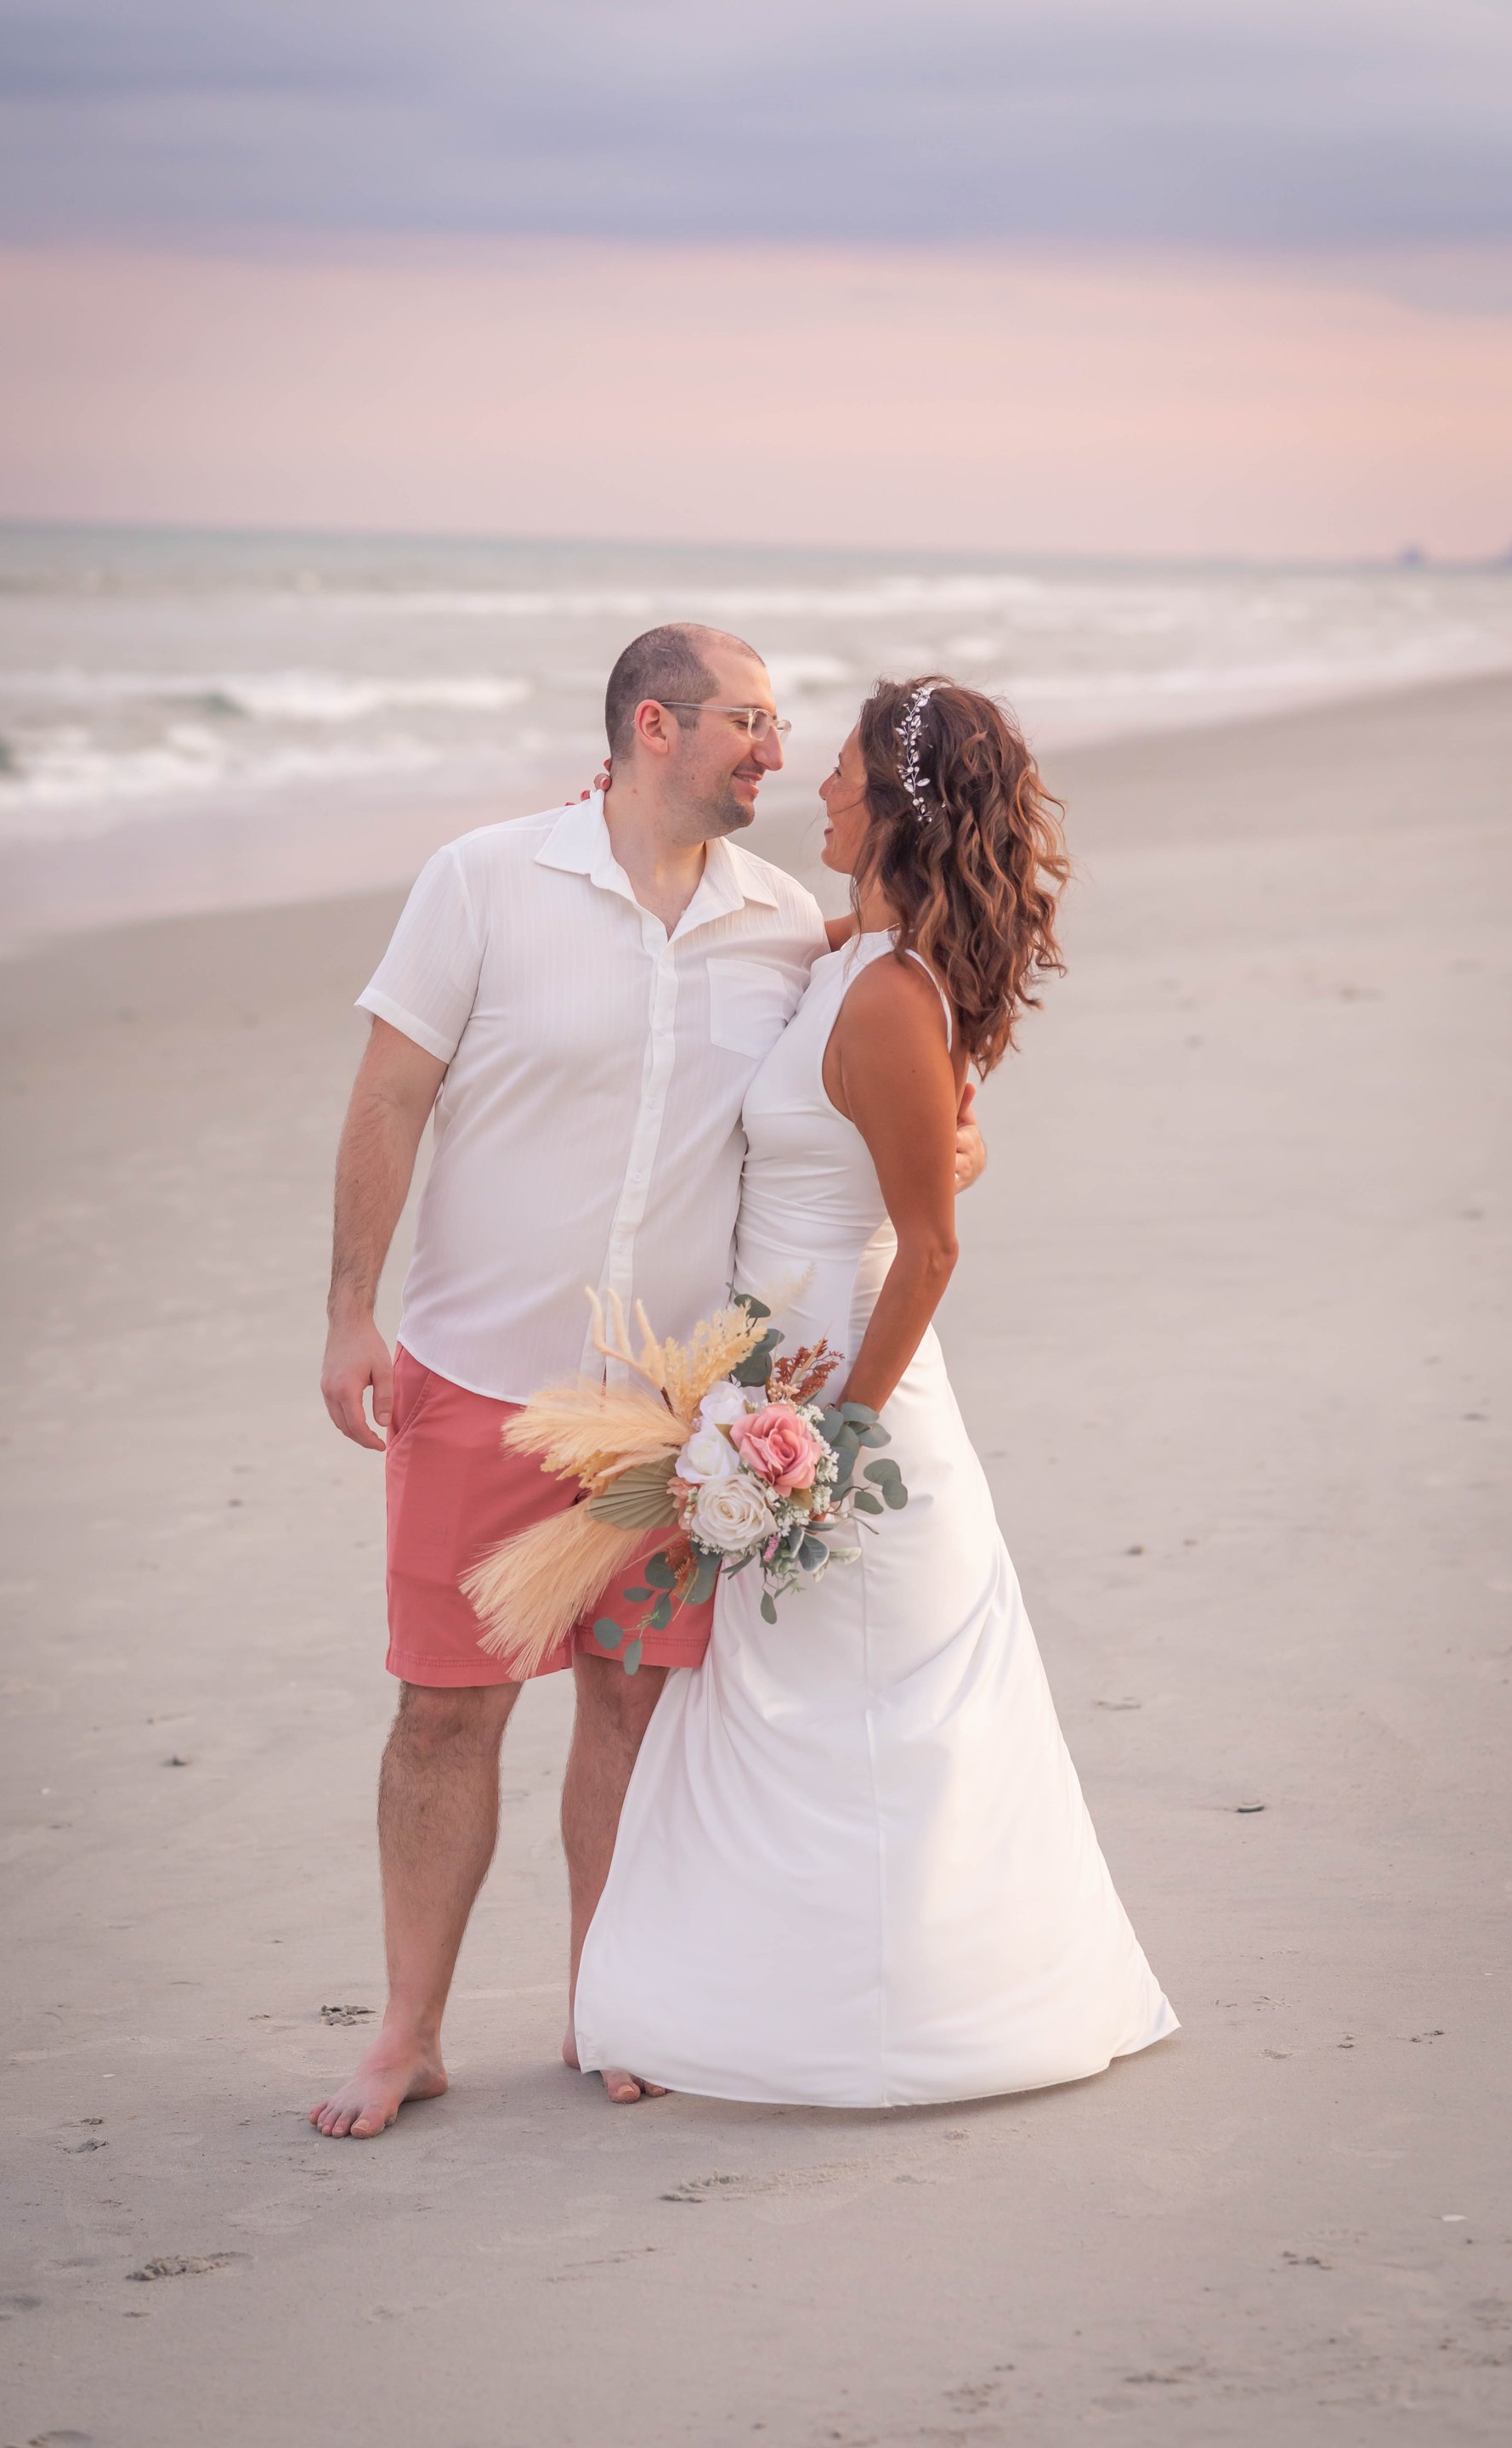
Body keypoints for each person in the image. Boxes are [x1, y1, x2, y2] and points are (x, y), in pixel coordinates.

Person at [311, 626, 986, 2137]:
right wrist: (350, 1309)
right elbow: (390, 1092)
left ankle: (604, 2006)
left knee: (628, 1709)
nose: (776, 747)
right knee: (445, 1713)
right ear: (655, 728)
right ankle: (406, 2032)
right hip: (481, 1373)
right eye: (751, 722)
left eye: (782, 726)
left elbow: (887, 1074)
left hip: (681, 1409)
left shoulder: (788, 925)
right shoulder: (483, 879)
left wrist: (957, 1147)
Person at [574, 677, 1178, 2106]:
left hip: (852, 1391)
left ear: (897, 805)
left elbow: (929, 1244)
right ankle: (754, 1997)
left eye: (840, 775)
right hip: (773, 1372)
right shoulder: (859, 951)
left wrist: (831, 1438)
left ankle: (891, 2014)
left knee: (867, 1704)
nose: (818, 793)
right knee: (776, 1699)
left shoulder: (897, 997)